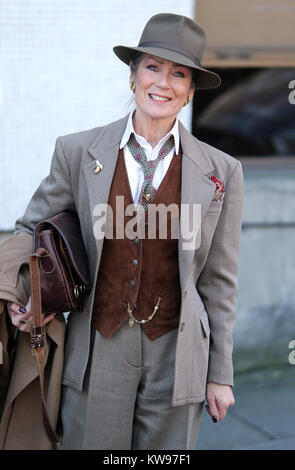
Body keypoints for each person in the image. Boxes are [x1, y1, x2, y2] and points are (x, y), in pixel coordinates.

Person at [0, 13, 243, 450]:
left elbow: (220, 281)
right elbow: (30, 228)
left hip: (178, 352)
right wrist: (20, 292)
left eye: (178, 73)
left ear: (190, 91)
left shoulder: (222, 171)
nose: (163, 83)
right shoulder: (76, 152)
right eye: (152, 67)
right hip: (97, 348)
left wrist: (220, 374)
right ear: (133, 76)